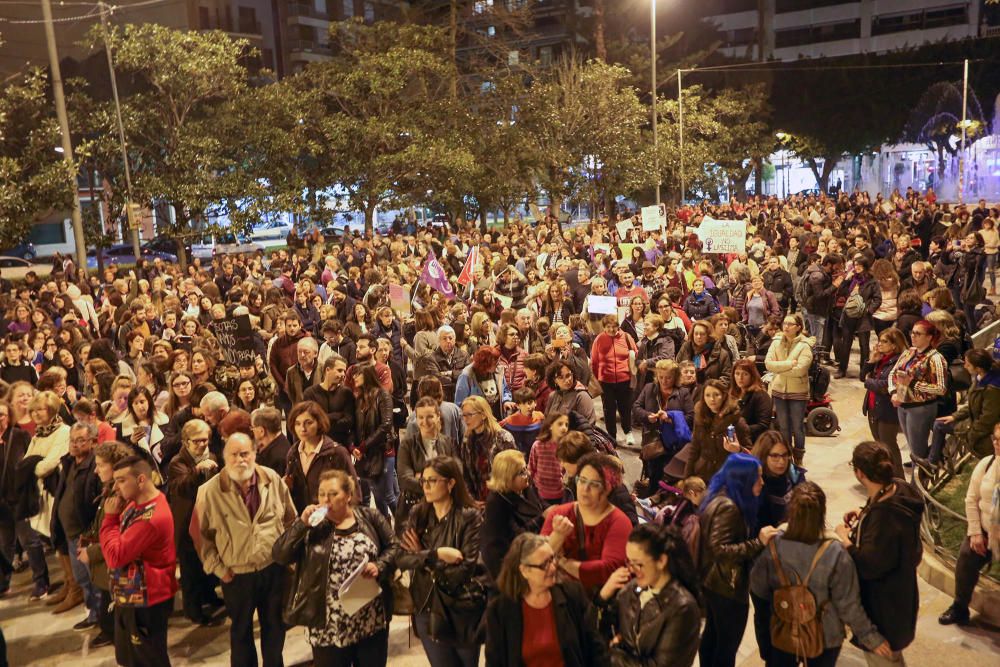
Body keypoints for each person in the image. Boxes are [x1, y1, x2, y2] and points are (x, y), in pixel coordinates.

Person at [750, 482, 891, 667]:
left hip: (782, 630)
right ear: (821, 512)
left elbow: (758, 590)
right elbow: (848, 605)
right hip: (825, 635)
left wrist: (765, 635)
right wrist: (870, 637)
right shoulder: (835, 552)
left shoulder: (774, 543)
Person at [272, 469, 399, 667]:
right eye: (322, 494)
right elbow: (280, 555)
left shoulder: (369, 517)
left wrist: (380, 565)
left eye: (333, 494)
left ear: (348, 495)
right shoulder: (313, 527)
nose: (326, 500)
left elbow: (394, 547)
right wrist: (301, 524)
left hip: (369, 618)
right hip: (328, 624)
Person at [195, 433, 297, 667]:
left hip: (272, 569)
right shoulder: (209, 492)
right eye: (234, 454)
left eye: (245, 454)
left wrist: (288, 560)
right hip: (236, 575)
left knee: (275, 629)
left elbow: (291, 520)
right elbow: (202, 539)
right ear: (224, 457)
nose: (240, 459)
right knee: (240, 633)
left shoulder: (271, 479)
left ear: (254, 454)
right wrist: (219, 569)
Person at [834, 442, 925, 667]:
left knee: (884, 659)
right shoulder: (901, 489)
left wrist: (845, 539)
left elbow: (869, 565)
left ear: (860, 473)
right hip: (902, 595)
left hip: (884, 607)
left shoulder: (884, 519)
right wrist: (864, 513)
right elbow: (884, 506)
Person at [398, 456, 483, 667]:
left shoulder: (470, 517)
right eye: (423, 481)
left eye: (432, 481)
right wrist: (437, 555)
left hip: (461, 606)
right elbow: (402, 558)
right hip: (426, 604)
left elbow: (464, 570)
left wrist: (421, 556)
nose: (426, 487)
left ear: (451, 483)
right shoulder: (418, 513)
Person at [698, 452, 778, 667]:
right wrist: (758, 542)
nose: (762, 482)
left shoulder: (720, 497)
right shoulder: (728, 508)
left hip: (714, 582)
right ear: (743, 479)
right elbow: (719, 549)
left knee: (713, 637)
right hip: (727, 586)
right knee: (726, 644)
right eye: (757, 477)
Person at [485, 532, 608, 667]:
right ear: (524, 571)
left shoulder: (572, 594)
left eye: (552, 559)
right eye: (544, 565)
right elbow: (494, 662)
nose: (553, 568)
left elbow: (595, 646)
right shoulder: (500, 610)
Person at [99, 457, 177, 667]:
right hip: (132, 593)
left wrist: (109, 520)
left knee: (148, 659)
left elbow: (115, 557)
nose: (115, 487)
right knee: (131, 657)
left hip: (146, 599)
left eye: (121, 480)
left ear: (141, 479)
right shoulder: (139, 503)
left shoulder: (150, 518)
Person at [597, 524, 701, 667]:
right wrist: (603, 597)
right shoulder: (630, 590)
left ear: (661, 561)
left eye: (638, 564)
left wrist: (612, 654)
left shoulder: (683, 608)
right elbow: (597, 636)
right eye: (629, 562)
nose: (632, 570)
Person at [541, 452, 631, 594]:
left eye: (594, 484)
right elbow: (540, 562)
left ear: (607, 488)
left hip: (596, 601)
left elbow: (607, 570)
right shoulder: (559, 514)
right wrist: (557, 535)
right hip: (560, 599)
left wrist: (563, 562)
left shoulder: (619, 523)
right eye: (582, 480)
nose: (584, 488)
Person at [938, 422, 1000, 626]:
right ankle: (959, 606)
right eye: (996, 439)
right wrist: (975, 532)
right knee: (965, 560)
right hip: (984, 530)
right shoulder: (987, 465)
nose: (997, 444)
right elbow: (971, 499)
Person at [166, 419, 221, 626]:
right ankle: (193, 610)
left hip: (208, 519)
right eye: (197, 441)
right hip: (187, 522)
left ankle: (210, 596)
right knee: (191, 570)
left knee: (208, 561)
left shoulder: (212, 456)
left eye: (205, 441)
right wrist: (197, 470)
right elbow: (181, 487)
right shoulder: (177, 462)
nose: (201, 445)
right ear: (186, 441)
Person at [79, 440, 133, 649]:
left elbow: (124, 538)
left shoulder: (123, 496)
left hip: (119, 572)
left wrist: (91, 553)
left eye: (101, 464)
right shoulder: (110, 490)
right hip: (108, 568)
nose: (96, 470)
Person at [49, 421, 102, 624]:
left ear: (93, 441)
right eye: (72, 440)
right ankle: (93, 613)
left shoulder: (95, 466)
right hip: (70, 533)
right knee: (82, 578)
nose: (75, 444)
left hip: (85, 533)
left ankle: (100, 618)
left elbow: (98, 502)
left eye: (81, 440)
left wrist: (90, 532)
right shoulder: (69, 463)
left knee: (93, 579)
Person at [23, 391, 70, 601]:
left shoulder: (63, 431)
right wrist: (32, 465)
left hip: (58, 492)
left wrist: (32, 465)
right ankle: (69, 584)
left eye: (40, 409)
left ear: (51, 409)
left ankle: (75, 586)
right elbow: (27, 462)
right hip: (42, 494)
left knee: (63, 540)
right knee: (55, 541)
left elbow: (47, 464)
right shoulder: (38, 435)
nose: (36, 414)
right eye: (33, 411)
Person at [921, 349, 1000, 470]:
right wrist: (955, 416)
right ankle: (933, 462)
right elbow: (972, 406)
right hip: (973, 423)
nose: (965, 366)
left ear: (978, 368)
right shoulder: (979, 378)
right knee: (939, 423)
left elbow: (988, 418)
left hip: (982, 431)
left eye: (968, 364)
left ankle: (932, 463)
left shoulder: (991, 388)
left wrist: (971, 435)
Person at [0, 400, 47, 598]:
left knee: (30, 541)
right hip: (1, 503)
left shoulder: (19, 436)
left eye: (1, 415)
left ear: (9, 417)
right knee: (4, 544)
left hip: (19, 499)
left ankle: (41, 583)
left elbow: (31, 463)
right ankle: (3, 583)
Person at [889, 320, 947, 465]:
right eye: (912, 333)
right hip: (902, 404)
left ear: (929, 337)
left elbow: (940, 388)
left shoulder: (936, 358)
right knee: (912, 446)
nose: (913, 336)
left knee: (918, 448)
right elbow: (892, 373)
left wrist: (914, 384)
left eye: (918, 334)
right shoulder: (909, 352)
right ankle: (919, 468)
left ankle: (919, 480)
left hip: (921, 407)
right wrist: (893, 392)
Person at [284, 400, 360, 512]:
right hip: (303, 520)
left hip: (332, 519)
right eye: (297, 423)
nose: (302, 429)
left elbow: (355, 492)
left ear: (319, 423)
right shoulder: (293, 453)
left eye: (308, 423)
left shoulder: (337, 453)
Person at [632, 359, 694, 493]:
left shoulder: (683, 393)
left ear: (675, 377)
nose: (664, 381)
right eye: (661, 377)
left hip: (674, 444)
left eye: (668, 378)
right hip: (652, 441)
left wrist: (671, 418)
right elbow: (636, 408)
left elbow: (691, 417)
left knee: (670, 478)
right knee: (653, 475)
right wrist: (648, 416)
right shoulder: (649, 388)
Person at [481, 449, 544, 579]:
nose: (528, 473)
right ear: (508, 477)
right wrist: (541, 519)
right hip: (507, 565)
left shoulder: (525, 488)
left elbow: (540, 506)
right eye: (522, 472)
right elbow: (516, 538)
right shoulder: (496, 503)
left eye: (525, 468)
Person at [397, 397, 459, 530]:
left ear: (438, 416)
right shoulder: (407, 445)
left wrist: (422, 478)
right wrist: (440, 483)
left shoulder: (449, 443)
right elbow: (405, 480)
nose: (424, 422)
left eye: (430, 416)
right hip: (415, 510)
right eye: (420, 417)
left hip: (445, 510)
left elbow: (458, 473)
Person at [765, 314, 814, 466]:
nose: (786, 326)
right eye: (785, 323)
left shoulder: (805, 346)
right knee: (783, 426)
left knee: (797, 426)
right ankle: (786, 456)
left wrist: (779, 367)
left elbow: (799, 370)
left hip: (797, 391)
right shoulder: (776, 342)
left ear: (798, 327)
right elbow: (768, 364)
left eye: (790, 324)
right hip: (779, 389)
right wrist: (788, 364)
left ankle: (798, 456)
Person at [684, 379, 752, 483]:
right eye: (707, 395)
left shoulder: (736, 420)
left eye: (716, 395)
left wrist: (738, 450)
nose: (712, 399)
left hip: (727, 476)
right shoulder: (700, 417)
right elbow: (694, 447)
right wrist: (687, 477)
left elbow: (750, 454)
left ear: (724, 396)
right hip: (703, 474)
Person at [863, 328, 908, 477]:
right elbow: (862, 376)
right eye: (879, 340)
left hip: (887, 410)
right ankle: (886, 477)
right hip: (873, 407)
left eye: (884, 341)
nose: (879, 344)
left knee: (889, 446)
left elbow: (884, 387)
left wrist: (869, 381)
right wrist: (871, 361)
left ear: (894, 345)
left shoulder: (899, 362)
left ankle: (899, 479)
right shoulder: (880, 359)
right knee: (880, 446)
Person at [352, 364, 396, 517]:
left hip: (384, 450)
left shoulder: (382, 395)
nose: (354, 377)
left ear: (368, 376)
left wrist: (363, 446)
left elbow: (386, 426)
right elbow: (356, 427)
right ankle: (384, 525)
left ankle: (406, 526)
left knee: (388, 494)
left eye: (358, 374)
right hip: (367, 454)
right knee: (378, 495)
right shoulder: (359, 400)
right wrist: (355, 447)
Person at [590, 315, 638, 445]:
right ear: (604, 327)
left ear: (618, 326)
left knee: (625, 408)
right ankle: (611, 437)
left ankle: (628, 432)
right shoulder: (599, 339)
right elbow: (594, 361)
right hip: (606, 381)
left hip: (624, 379)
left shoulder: (626, 337)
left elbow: (635, 352)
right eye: (608, 327)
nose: (611, 330)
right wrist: (596, 378)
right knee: (608, 410)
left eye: (614, 327)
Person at [458, 395, 516, 501]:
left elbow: (512, 474)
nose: (465, 419)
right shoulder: (467, 440)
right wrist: (471, 500)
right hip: (477, 500)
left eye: (469, 415)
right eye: (463, 415)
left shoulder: (503, 438)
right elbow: (465, 474)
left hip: (502, 499)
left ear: (483, 415)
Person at [751, 430, 806, 529]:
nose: (781, 462)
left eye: (785, 455)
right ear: (763, 456)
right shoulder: (755, 482)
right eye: (775, 456)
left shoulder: (796, 477)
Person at [528, 412, 570, 506]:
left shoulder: (565, 447)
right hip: (539, 494)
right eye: (560, 424)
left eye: (566, 425)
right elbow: (531, 468)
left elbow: (565, 470)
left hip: (559, 494)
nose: (564, 427)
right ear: (550, 426)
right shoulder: (538, 445)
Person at [676, 320, 733, 388]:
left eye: (702, 334)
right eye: (696, 334)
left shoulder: (722, 354)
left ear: (709, 336)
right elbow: (677, 369)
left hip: (711, 393)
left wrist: (712, 390)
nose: (698, 337)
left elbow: (726, 377)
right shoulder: (685, 347)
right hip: (685, 391)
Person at [730, 359, 773, 442]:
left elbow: (763, 425)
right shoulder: (732, 394)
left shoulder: (761, 395)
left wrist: (740, 430)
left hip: (756, 441)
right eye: (737, 373)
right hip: (736, 439)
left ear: (752, 376)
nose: (740, 378)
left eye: (745, 374)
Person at [425, 325, 469, 403]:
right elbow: (436, 379)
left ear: (455, 340)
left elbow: (468, 375)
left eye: (450, 338)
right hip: (442, 400)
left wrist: (451, 373)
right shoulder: (431, 358)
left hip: (462, 399)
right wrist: (458, 377)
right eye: (444, 338)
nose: (448, 341)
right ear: (439, 341)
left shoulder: (464, 355)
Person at [250, 406, 291, 476]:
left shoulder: (277, 459)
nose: (252, 430)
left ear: (261, 431)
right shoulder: (280, 440)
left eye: (252, 427)